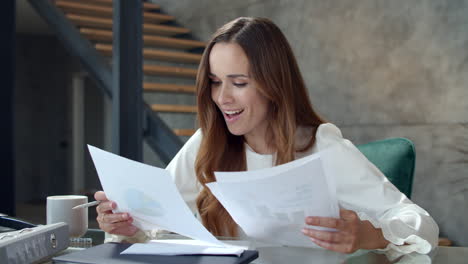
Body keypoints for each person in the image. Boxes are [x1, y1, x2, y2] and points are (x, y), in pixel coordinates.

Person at [94, 17, 439, 256]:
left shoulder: (321, 147)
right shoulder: (206, 143)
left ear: (274, 85)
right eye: (215, 81)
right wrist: (126, 224)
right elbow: (151, 223)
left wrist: (369, 234)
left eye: (239, 83)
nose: (222, 97)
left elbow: (422, 226)